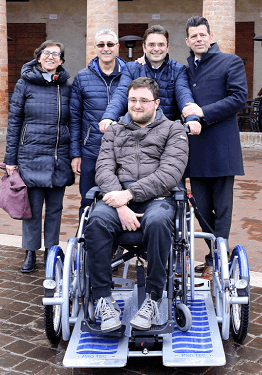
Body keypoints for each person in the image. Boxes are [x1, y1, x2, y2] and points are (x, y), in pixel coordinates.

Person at [85, 77, 189, 332]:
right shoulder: (114, 130)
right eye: (133, 100)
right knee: (96, 221)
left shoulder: (174, 130)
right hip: (116, 196)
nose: (137, 105)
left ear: (156, 103)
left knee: (156, 221)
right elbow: (103, 169)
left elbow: (170, 173)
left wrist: (129, 195)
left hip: (158, 196)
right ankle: (102, 298)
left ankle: (153, 298)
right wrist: (121, 204)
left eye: (144, 101)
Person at [182, 16, 248, 280]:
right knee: (200, 207)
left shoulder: (230, 61)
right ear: (187, 41)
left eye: (202, 35)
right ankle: (215, 254)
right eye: (193, 36)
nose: (198, 39)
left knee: (221, 208)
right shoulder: (185, 68)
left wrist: (203, 112)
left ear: (210, 37)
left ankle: (217, 260)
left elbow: (238, 98)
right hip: (195, 149)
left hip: (222, 147)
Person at [4, 40, 74, 273]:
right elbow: (14, 123)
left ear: (61, 61)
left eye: (56, 54)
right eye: (47, 53)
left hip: (58, 156)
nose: (51, 57)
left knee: (55, 209)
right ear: (38, 57)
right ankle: (30, 252)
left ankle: (51, 253)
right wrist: (10, 160)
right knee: (31, 209)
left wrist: (74, 155)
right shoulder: (25, 84)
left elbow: (73, 123)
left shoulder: (66, 86)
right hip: (31, 155)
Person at [98, 25, 201, 135]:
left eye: (161, 44)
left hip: (168, 134)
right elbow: (121, 93)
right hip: (137, 134)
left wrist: (192, 119)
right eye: (151, 45)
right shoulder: (132, 68)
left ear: (167, 47)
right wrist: (109, 117)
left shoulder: (178, 69)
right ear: (144, 47)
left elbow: (184, 94)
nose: (156, 49)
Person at [70, 29, 126, 218]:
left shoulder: (129, 75)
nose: (106, 48)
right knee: (88, 201)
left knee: (121, 200)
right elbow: (75, 118)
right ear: (95, 48)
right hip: (91, 151)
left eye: (110, 44)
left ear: (117, 47)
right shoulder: (82, 77)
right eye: (101, 45)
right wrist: (76, 153)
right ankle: (85, 242)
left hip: (124, 152)